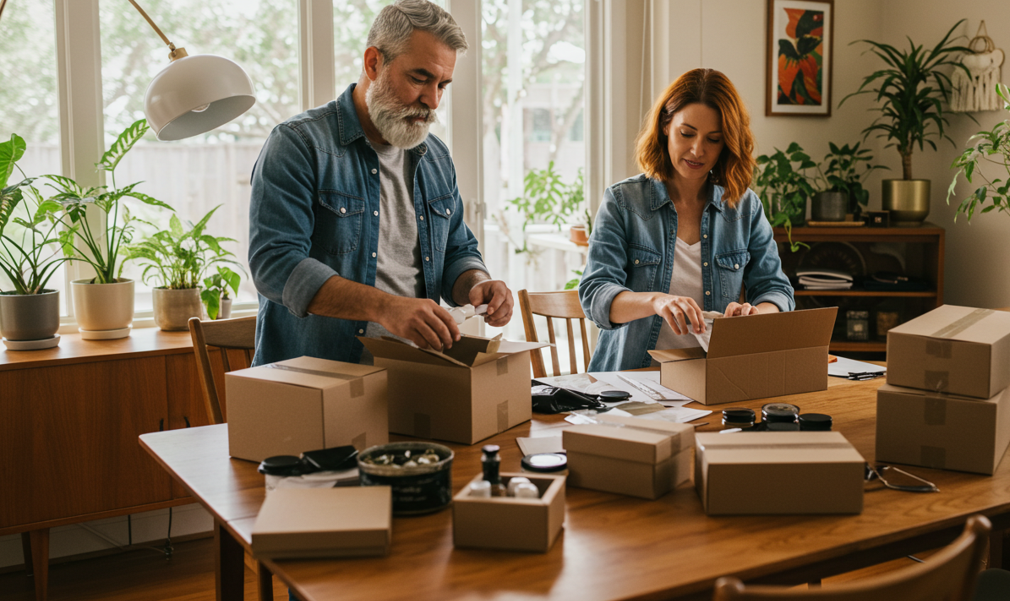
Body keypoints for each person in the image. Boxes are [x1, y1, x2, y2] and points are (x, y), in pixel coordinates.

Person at [248, 0, 513, 366]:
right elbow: (275, 264)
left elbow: (456, 250)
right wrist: (385, 308)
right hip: (317, 382)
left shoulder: (434, 156)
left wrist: (476, 284)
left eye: (443, 85)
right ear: (373, 63)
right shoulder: (298, 144)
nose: (432, 100)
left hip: (415, 378)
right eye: (420, 78)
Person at [579, 68, 796, 372]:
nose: (698, 150)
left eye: (714, 139)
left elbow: (777, 290)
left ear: (727, 143)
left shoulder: (745, 207)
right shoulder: (624, 202)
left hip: (716, 378)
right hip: (632, 380)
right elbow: (595, 293)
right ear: (666, 125)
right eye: (687, 133)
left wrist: (756, 314)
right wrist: (656, 301)